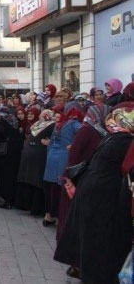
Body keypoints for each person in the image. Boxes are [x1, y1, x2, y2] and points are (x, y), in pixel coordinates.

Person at [54, 107, 134, 284]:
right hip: (101, 193)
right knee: (97, 236)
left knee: (92, 235)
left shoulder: (116, 137)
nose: (111, 120)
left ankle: (86, 270)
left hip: (97, 192)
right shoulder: (121, 138)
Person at [56, 104, 110, 243]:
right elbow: (76, 154)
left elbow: (75, 153)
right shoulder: (97, 131)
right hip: (83, 176)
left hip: (82, 176)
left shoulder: (93, 130)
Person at [42, 103, 82, 227]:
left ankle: (49, 215)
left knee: (50, 188)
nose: (56, 115)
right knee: (60, 189)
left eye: (58, 113)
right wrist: (75, 145)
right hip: (62, 158)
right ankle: (60, 217)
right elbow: (83, 134)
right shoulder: (73, 124)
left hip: (52, 158)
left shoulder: (59, 125)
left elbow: (51, 143)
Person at [0, 108, 22, 210]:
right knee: (13, 176)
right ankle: (14, 199)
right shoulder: (14, 120)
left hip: (6, 153)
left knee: (6, 177)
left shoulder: (1, 121)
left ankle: (7, 201)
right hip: (16, 152)